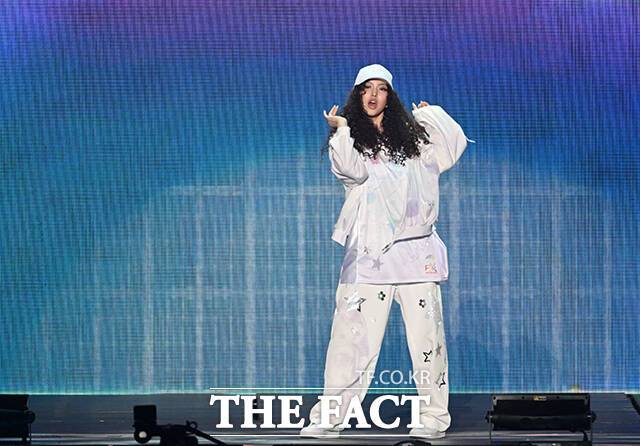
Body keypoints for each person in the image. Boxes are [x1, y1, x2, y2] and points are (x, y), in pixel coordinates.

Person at [300, 64, 474, 440]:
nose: (374, 95)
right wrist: (341, 130)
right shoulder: (353, 141)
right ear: (358, 94)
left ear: (390, 97)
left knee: (427, 341)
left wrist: (432, 115)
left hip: (416, 255)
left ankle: (433, 417)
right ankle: (330, 416)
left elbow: (452, 149)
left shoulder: (415, 142)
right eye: (367, 88)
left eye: (381, 89)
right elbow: (351, 172)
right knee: (351, 341)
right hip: (370, 257)